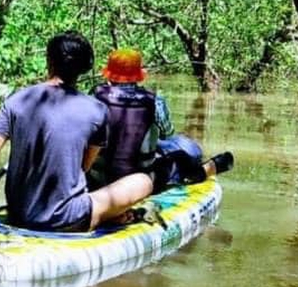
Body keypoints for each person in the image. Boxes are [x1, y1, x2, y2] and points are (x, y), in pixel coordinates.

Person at [0, 32, 159, 232]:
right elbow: (83, 167)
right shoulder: (96, 110)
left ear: (49, 61)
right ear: (83, 68)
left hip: (18, 214)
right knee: (143, 182)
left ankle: (105, 215)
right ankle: (107, 217)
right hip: (68, 218)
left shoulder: (16, 100)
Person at [87, 47, 233, 193]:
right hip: (141, 182)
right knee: (183, 155)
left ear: (109, 74)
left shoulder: (94, 95)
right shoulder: (154, 100)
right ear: (138, 75)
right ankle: (205, 170)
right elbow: (168, 133)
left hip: (97, 179)